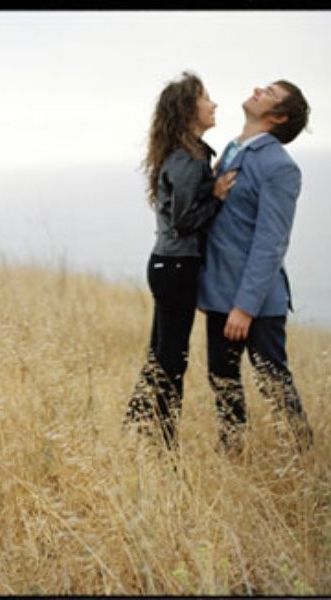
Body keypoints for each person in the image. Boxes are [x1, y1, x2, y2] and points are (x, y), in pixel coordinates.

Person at [197, 79, 313, 455]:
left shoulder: (279, 166)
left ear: (278, 117)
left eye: (270, 94)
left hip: (256, 303)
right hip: (219, 295)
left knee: (274, 384)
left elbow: (271, 242)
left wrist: (245, 307)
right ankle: (231, 461)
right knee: (223, 384)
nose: (258, 89)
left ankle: (303, 461)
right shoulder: (232, 149)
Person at [123, 72, 236, 450]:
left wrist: (211, 184)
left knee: (161, 357)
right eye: (207, 98)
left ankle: (135, 430)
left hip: (166, 266)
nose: (214, 104)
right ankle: (164, 448)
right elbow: (185, 221)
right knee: (173, 362)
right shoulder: (188, 159)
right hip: (176, 268)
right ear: (190, 109)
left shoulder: (185, 154)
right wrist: (217, 195)